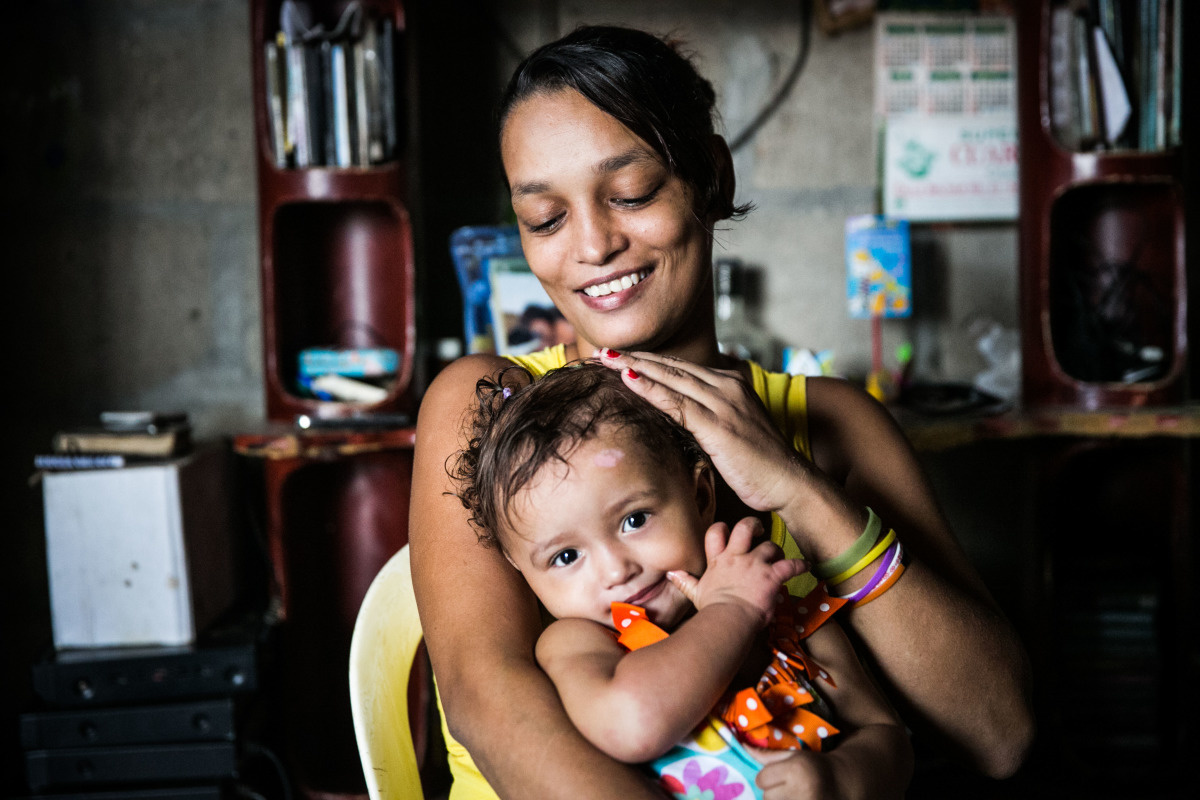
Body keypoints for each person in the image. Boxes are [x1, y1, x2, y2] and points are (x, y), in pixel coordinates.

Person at [409, 24, 1034, 800]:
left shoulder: (830, 422)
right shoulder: (491, 406)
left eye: (630, 195)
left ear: (709, 174)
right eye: (546, 219)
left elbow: (999, 736)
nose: (594, 244)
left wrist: (797, 489)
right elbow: (484, 698)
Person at [451, 361, 914, 799]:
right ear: (523, 573)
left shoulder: (792, 614)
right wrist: (730, 611)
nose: (617, 570)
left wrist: (841, 778)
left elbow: (886, 736)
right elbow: (634, 724)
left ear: (701, 494)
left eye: (634, 520)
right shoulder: (578, 644)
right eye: (566, 556)